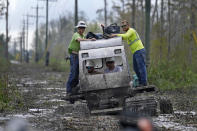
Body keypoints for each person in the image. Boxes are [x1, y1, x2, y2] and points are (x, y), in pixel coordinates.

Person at [111, 20, 147, 86]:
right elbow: (122, 38)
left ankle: (144, 82)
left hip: (139, 50)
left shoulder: (131, 30)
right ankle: (140, 82)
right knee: (135, 68)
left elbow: (125, 36)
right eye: (122, 26)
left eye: (125, 25)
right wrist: (111, 37)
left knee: (141, 67)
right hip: (135, 52)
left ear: (128, 25)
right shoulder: (127, 33)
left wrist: (115, 35)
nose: (123, 27)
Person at [66, 21, 96, 95]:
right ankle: (69, 90)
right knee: (73, 73)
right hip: (74, 56)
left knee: (78, 74)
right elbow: (79, 40)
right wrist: (90, 40)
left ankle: (74, 90)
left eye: (83, 28)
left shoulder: (83, 36)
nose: (81, 30)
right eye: (80, 28)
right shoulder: (76, 35)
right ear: (78, 29)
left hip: (79, 56)